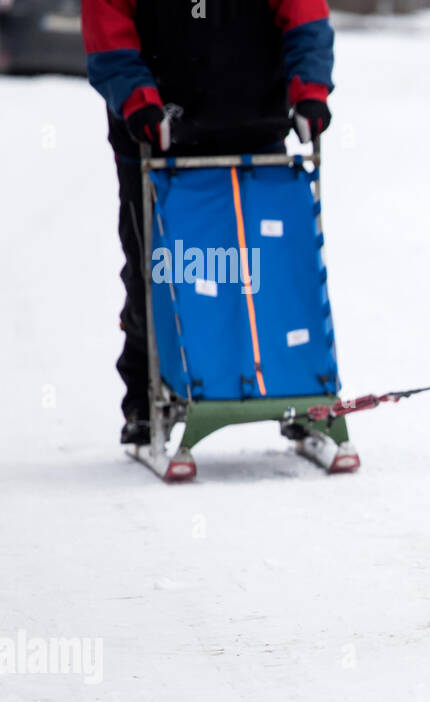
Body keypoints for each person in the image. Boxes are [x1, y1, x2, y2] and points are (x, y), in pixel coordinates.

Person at [82, 0, 336, 445]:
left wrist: (309, 90)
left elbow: (305, 16)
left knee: (271, 267)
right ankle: (146, 397)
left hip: (254, 123)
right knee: (162, 268)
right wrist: (138, 100)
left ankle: (293, 386)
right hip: (158, 131)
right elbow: (107, 29)